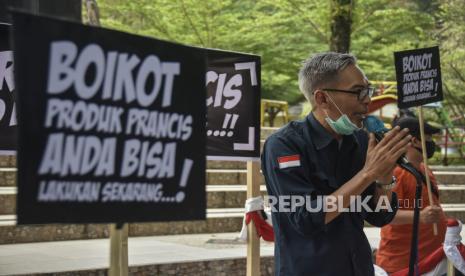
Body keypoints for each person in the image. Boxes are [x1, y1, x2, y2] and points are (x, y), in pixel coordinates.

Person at [261, 52, 411, 276]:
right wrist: (368, 174)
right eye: (357, 91)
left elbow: (380, 215)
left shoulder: (360, 140)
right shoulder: (285, 145)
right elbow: (306, 218)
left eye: (367, 91)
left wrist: (384, 178)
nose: (367, 100)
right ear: (322, 98)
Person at [376, 116, 447, 274]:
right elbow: (385, 213)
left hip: (432, 258)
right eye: (428, 137)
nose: (431, 142)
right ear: (415, 141)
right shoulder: (395, 173)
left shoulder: (424, 169)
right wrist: (420, 216)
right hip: (403, 263)